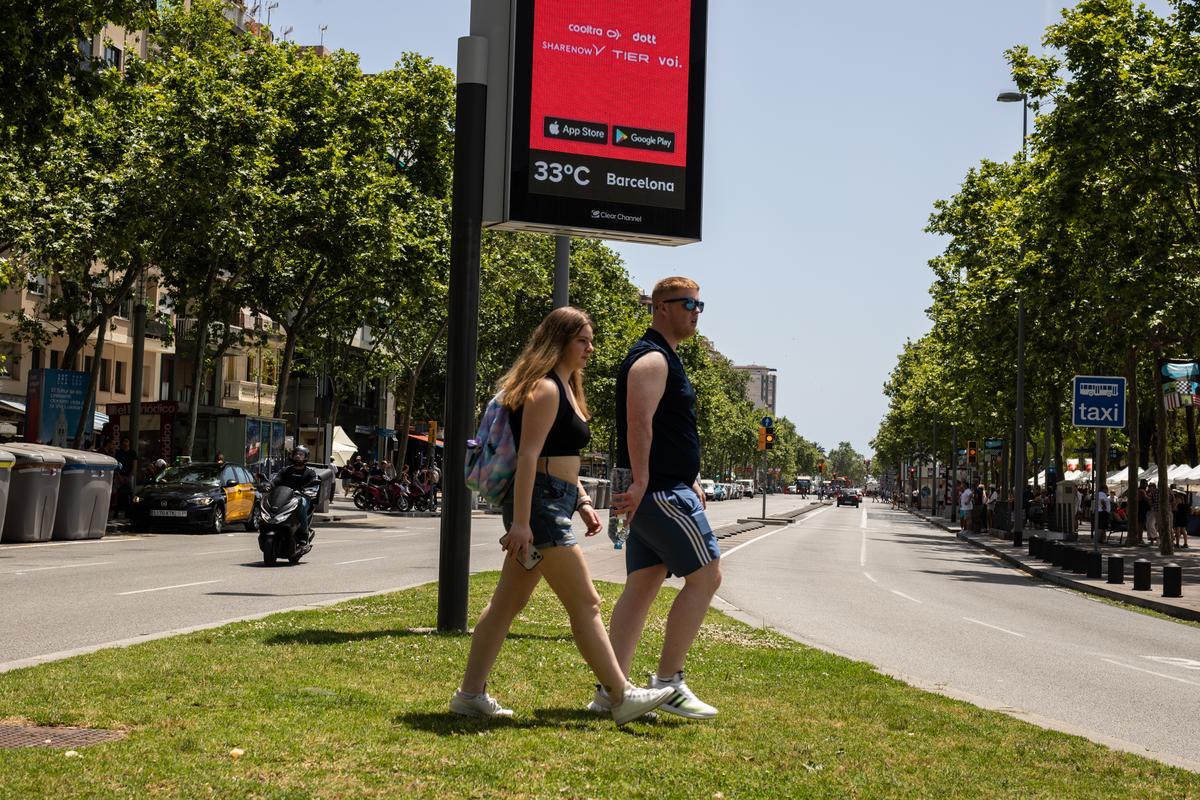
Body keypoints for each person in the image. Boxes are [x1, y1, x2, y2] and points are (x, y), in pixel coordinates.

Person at [452, 307, 673, 725]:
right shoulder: (546, 389)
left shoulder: (568, 386)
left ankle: (469, 695)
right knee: (586, 602)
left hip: (553, 500)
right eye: (581, 340)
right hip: (538, 507)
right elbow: (529, 458)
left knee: (506, 605)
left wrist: (583, 500)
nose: (590, 348)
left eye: (591, 340)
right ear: (559, 341)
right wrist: (520, 523)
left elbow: (563, 458)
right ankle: (620, 695)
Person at [605, 276, 722, 721]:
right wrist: (642, 481)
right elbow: (640, 424)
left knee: (644, 583)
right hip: (657, 491)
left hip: (661, 486)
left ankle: (611, 689)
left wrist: (688, 476)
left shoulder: (664, 358)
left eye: (699, 304)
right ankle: (669, 681)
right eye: (688, 304)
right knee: (707, 576)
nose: (695, 311)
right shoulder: (652, 360)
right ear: (662, 308)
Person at [269, 446, 320, 543]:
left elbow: (314, 483)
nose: (297, 456)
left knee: (301, 505)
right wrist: (269, 485)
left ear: (305, 457)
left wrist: (310, 489)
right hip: (285, 496)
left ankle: (303, 533)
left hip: (301, 497)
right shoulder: (286, 470)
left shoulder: (310, 472)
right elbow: (276, 480)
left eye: (301, 455)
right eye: (296, 454)